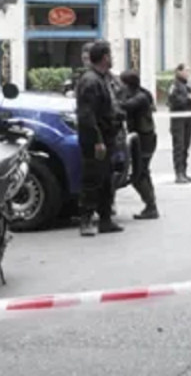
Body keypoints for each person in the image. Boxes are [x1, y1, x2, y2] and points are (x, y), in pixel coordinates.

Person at [75, 41, 125, 237]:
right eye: (110, 55)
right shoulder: (90, 81)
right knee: (92, 179)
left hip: (108, 136)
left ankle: (105, 219)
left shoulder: (103, 78)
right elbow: (87, 115)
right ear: (105, 57)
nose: (112, 58)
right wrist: (97, 141)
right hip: (96, 139)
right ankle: (86, 220)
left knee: (105, 180)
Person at [119, 70, 159, 219]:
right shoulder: (142, 94)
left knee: (139, 173)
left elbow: (124, 107)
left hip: (144, 140)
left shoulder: (140, 97)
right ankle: (151, 204)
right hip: (143, 138)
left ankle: (151, 205)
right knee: (143, 172)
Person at [167, 63, 191, 184]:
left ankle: (184, 171)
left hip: (188, 120)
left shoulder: (187, 87)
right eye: (186, 71)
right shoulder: (174, 86)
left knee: (186, 147)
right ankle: (179, 173)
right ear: (179, 72)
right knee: (179, 147)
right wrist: (189, 99)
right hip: (178, 121)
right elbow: (175, 102)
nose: (188, 73)